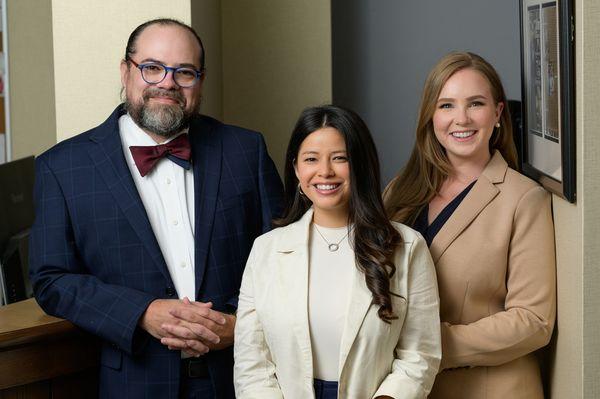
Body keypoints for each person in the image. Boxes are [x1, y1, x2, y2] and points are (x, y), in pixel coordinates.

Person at [29, 18, 283, 399]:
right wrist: (142, 313)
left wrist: (238, 323)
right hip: (133, 380)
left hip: (241, 377)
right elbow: (51, 279)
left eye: (184, 72)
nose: (167, 83)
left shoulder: (246, 152)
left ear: (200, 81)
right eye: (152, 68)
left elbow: (285, 258)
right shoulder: (63, 167)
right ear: (125, 71)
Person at [234, 105, 441, 398]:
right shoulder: (266, 250)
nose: (325, 172)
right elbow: (251, 362)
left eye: (340, 158)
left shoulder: (407, 247)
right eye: (311, 159)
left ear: (360, 166)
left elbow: (420, 354)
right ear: (296, 169)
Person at [384, 52, 556, 399]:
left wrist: (430, 343)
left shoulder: (524, 199)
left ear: (497, 113)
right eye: (446, 105)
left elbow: (533, 321)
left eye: (475, 103)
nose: (460, 119)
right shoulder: (400, 190)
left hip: (488, 389)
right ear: (430, 116)